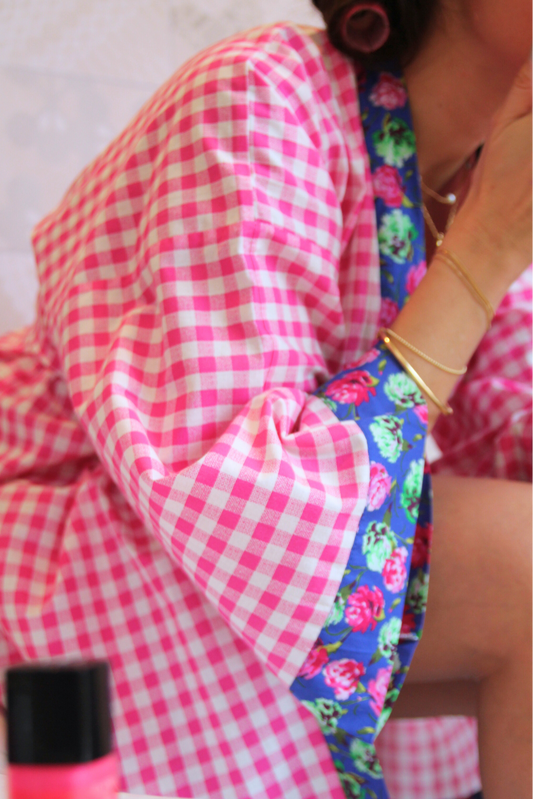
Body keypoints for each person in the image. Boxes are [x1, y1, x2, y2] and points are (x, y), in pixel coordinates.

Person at [0, 0, 532, 797]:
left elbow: (505, 438)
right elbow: (244, 501)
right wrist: (484, 248)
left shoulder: (469, 175)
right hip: (74, 557)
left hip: (252, 574)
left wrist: (493, 237)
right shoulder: (258, 97)